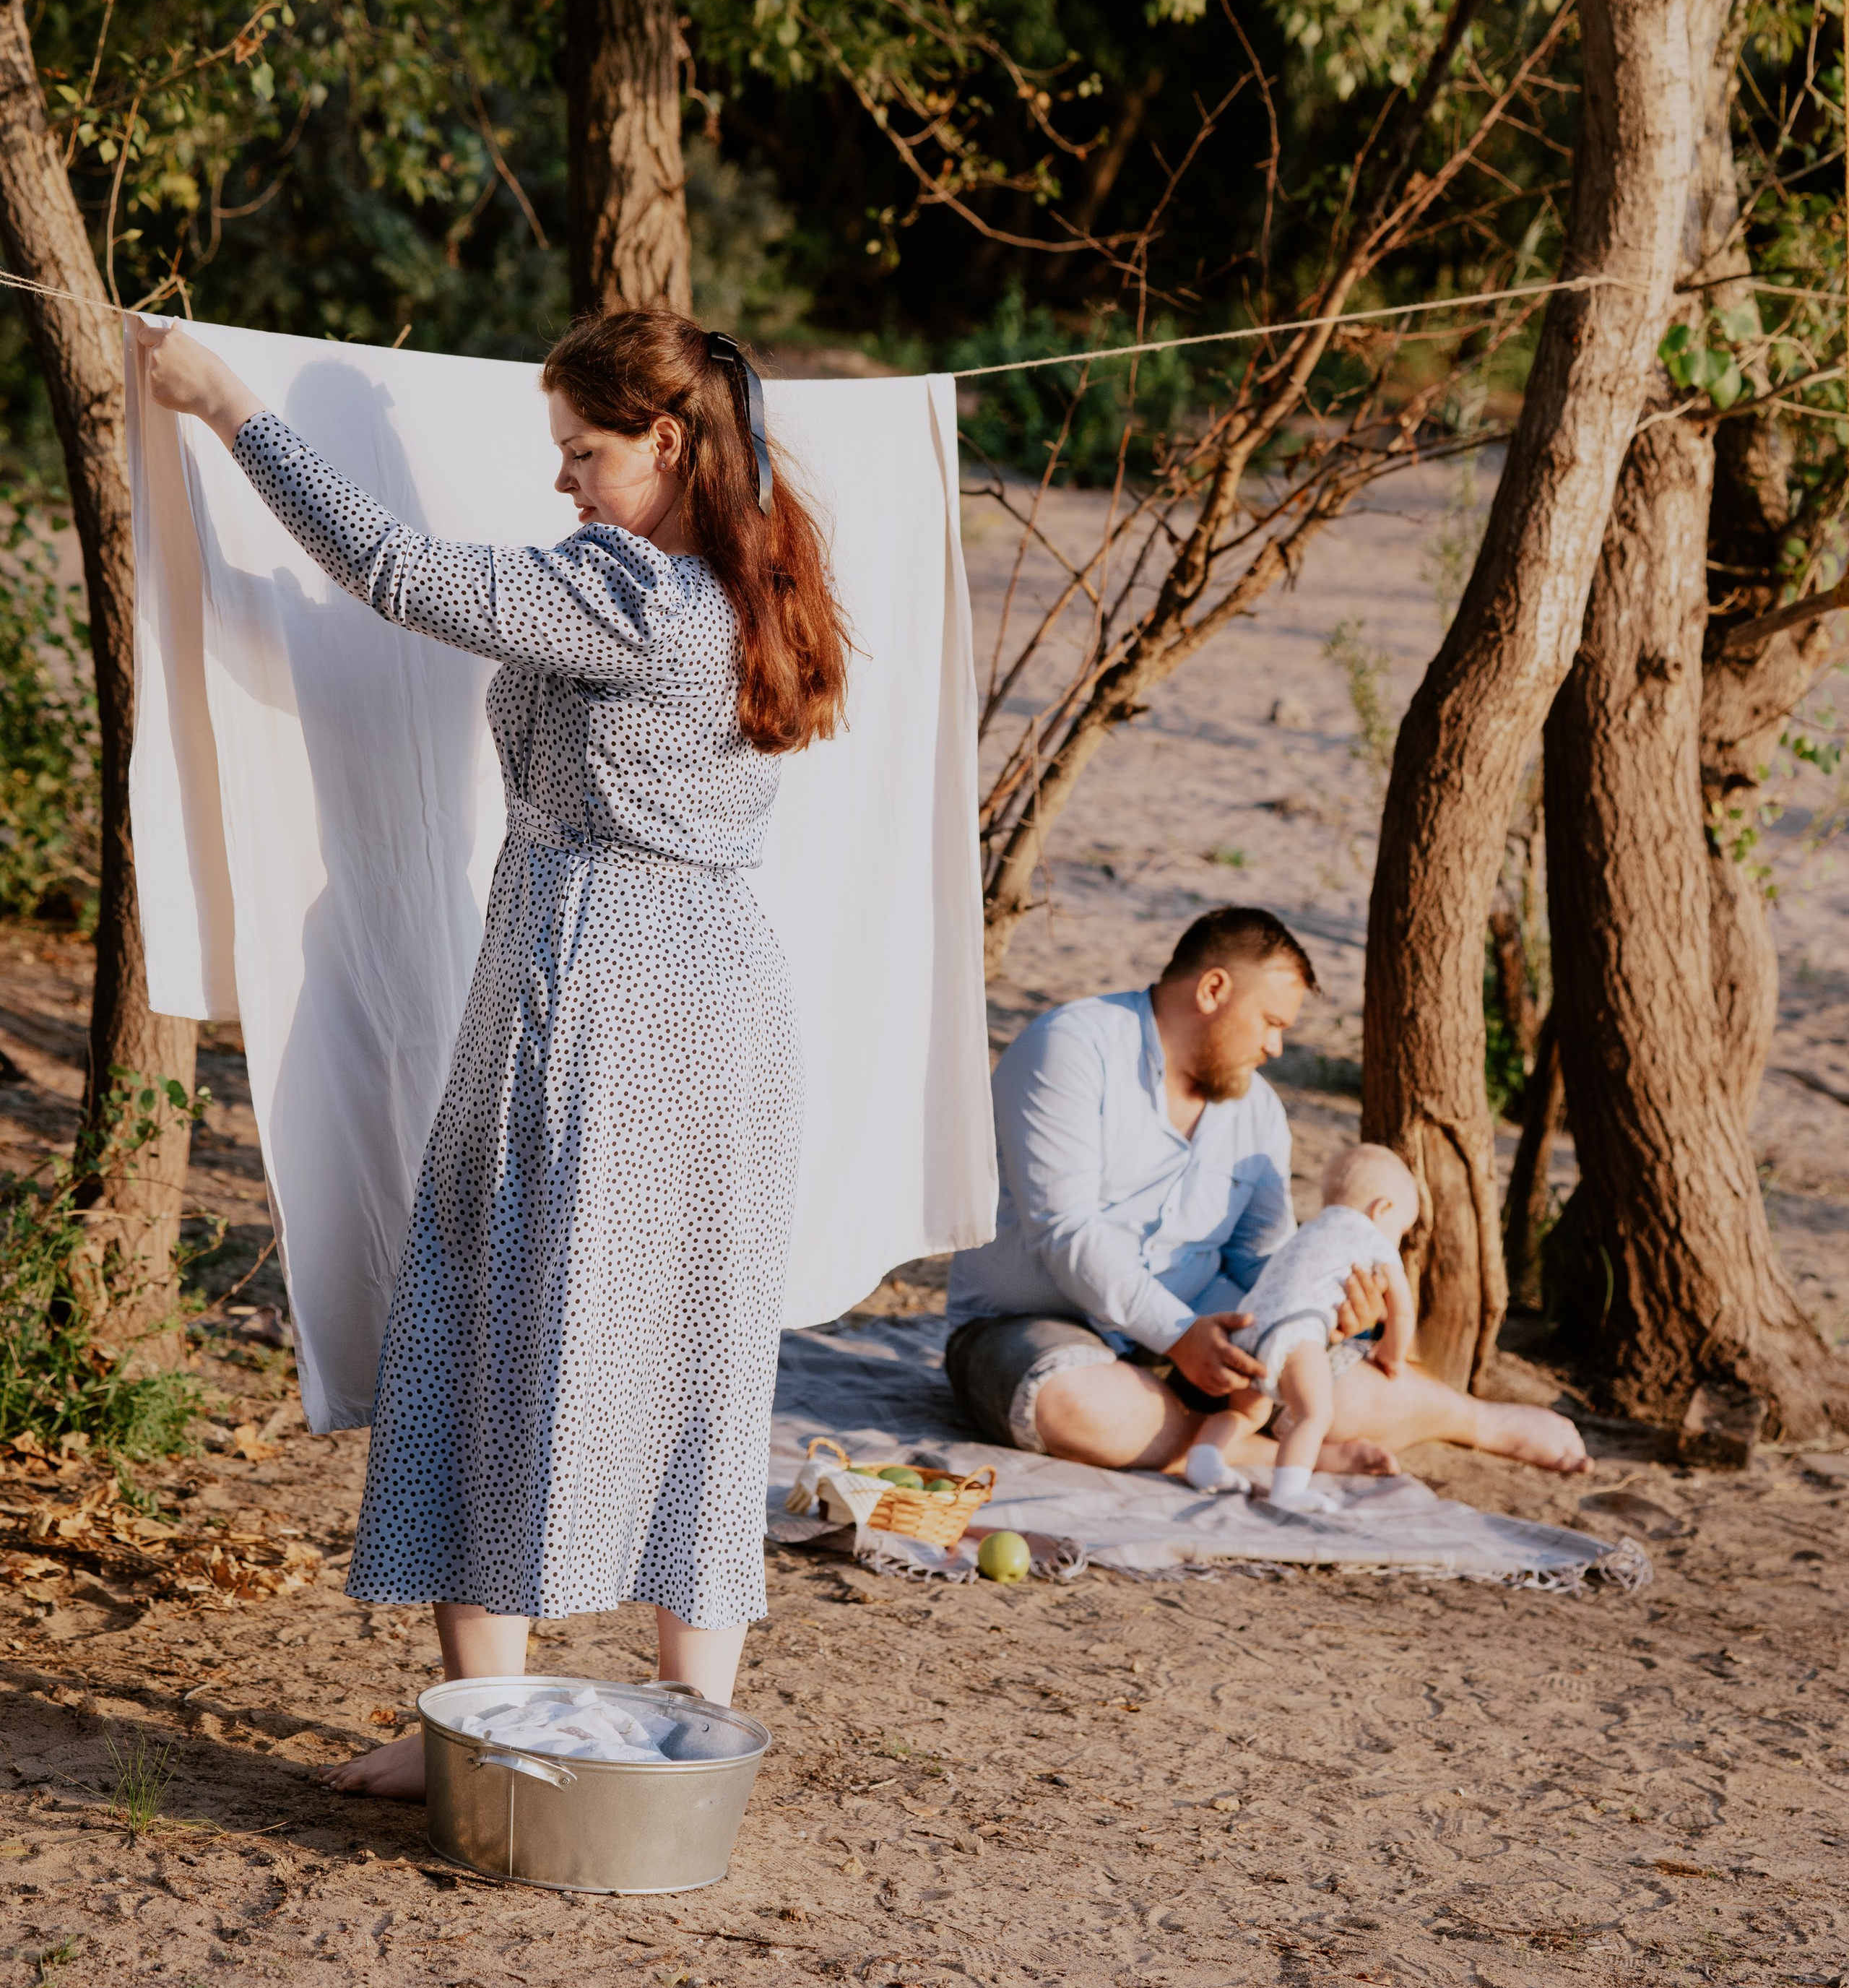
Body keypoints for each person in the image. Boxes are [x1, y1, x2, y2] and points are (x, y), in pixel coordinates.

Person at [132, 308, 849, 1798]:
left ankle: (478, 1722)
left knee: (488, 1312)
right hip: (722, 1000)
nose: (561, 482)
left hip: (593, 990)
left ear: (666, 442)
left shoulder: (631, 594)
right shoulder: (760, 581)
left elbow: (395, 572)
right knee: (697, 1344)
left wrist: (227, 404)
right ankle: (689, 1733)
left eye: (582, 453)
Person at [944, 906, 1588, 1478]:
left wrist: (1327, 1306)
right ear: (1213, 990)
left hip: (1209, 1335)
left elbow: (1263, 1264)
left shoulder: (1259, 1113)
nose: (1276, 1047)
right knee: (1075, 1406)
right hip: (1034, 1325)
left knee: (1349, 1394)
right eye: (1271, 1022)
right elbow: (1067, 1232)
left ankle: (1476, 1421)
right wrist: (1179, 1336)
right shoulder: (1071, 1048)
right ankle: (1248, 1450)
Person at [1184, 1141, 1419, 1511]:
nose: (1398, 1240)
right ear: (1383, 1209)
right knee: (1314, 1414)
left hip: (1248, 1327)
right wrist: (1393, 1356)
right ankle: (1288, 1491)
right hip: (1296, 1333)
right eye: (1402, 1230)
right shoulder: (1374, 1238)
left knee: (1248, 1412)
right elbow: (1402, 1311)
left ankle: (1205, 1458)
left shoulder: (1311, 1228)